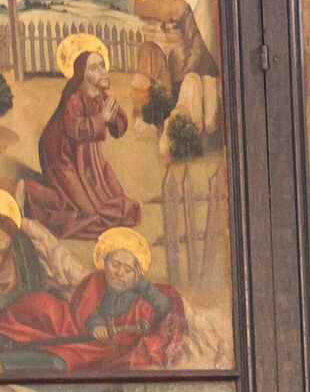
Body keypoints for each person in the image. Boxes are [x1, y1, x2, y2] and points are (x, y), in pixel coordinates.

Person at [0, 227, 186, 371]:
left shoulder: (143, 296)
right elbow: (90, 312)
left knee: (60, 361)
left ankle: (8, 361)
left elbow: (164, 307)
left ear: (137, 273)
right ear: (105, 263)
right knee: (38, 304)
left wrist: (144, 288)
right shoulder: (100, 281)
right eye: (115, 265)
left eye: (127, 269)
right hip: (73, 325)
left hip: (93, 348)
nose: (119, 273)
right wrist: (95, 325)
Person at [21, 50, 141, 240]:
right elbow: (76, 130)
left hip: (86, 160)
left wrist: (112, 119)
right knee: (86, 213)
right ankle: (30, 189)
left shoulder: (101, 96)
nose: (102, 71)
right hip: (60, 155)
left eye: (102, 65)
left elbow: (119, 124)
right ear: (82, 74)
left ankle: (51, 186)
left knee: (116, 203)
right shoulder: (74, 98)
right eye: (95, 67)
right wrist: (102, 118)